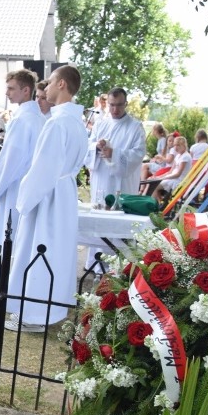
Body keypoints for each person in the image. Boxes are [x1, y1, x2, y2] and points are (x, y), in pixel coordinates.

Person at [12, 66, 87, 330]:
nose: (47, 88)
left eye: (52, 82)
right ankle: (51, 309)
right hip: (64, 193)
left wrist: (22, 201)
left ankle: (34, 314)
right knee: (56, 252)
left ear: (63, 85)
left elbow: (43, 168)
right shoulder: (76, 122)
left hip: (50, 195)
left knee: (39, 249)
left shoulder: (57, 123)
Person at [0, 69, 46, 332]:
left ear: (25, 90)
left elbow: (12, 159)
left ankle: (4, 293)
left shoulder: (24, 119)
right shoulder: (36, 117)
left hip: (15, 188)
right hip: (26, 188)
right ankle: (11, 292)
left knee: (8, 239)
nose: (7, 93)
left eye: (11, 88)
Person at [83, 87, 146, 274]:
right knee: (99, 218)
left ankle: (119, 267)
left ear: (125, 104)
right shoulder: (101, 123)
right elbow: (88, 147)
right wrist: (97, 146)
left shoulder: (135, 126)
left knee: (117, 222)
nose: (115, 109)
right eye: (111, 105)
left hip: (121, 185)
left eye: (119, 105)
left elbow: (138, 154)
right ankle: (96, 264)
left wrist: (115, 154)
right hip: (101, 179)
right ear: (107, 103)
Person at [153, 135, 192, 203]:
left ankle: (158, 205)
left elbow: (178, 174)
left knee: (154, 186)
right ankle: (161, 203)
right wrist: (159, 177)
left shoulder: (185, 156)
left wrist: (164, 178)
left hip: (179, 181)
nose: (175, 147)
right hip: (172, 178)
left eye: (178, 145)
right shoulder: (178, 156)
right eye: (174, 145)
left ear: (183, 145)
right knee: (153, 182)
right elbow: (170, 171)